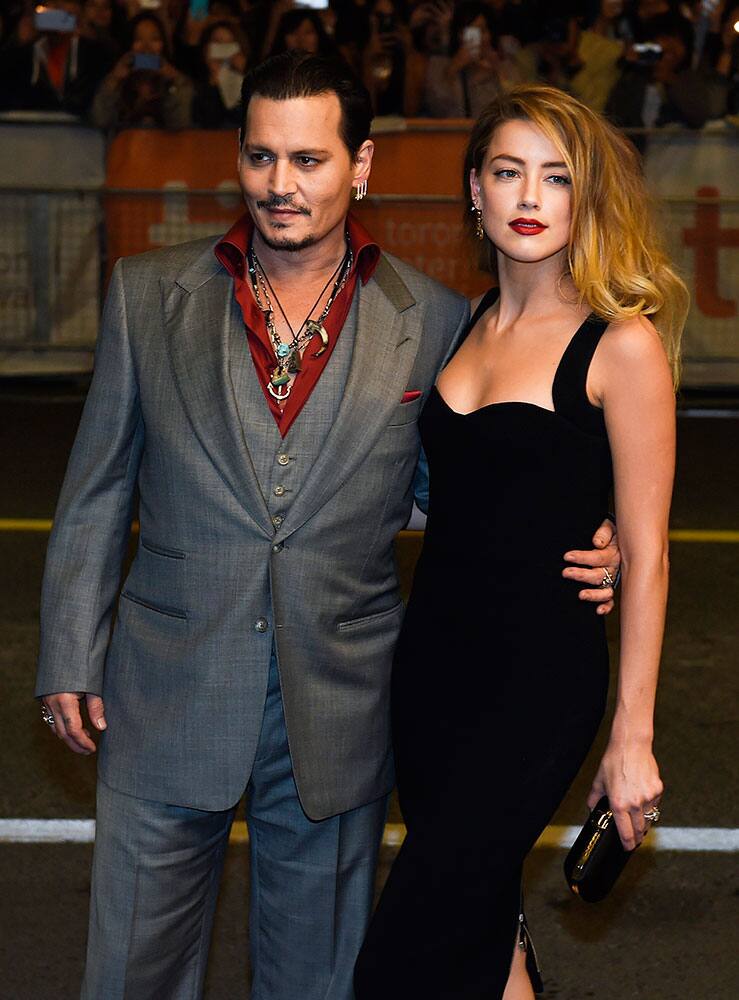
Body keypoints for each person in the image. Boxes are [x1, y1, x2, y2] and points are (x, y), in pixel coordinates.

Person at [35, 54, 619, 999]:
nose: (280, 184)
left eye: (308, 159)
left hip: (341, 704)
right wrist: (68, 651)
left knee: (315, 981)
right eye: (261, 157)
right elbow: (97, 487)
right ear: (238, 159)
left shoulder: (432, 320)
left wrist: (598, 533)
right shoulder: (148, 295)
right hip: (165, 691)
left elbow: (470, 485)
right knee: (133, 971)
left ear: (361, 166)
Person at [354, 84, 687, 999]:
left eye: (555, 177)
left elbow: (649, 551)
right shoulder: (458, 325)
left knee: (402, 958)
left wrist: (631, 735)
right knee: (478, 936)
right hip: (429, 680)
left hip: (535, 688)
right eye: (508, 173)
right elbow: (451, 500)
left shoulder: (620, 346)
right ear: (475, 190)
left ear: (585, 200)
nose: (530, 197)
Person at [90, 10, 192, 129]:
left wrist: (176, 80)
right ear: (130, 44)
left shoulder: (172, 84)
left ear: (163, 45)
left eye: (154, 40)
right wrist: (114, 80)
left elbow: (181, 125)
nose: (146, 47)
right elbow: (99, 121)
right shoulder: (118, 84)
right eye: (138, 39)